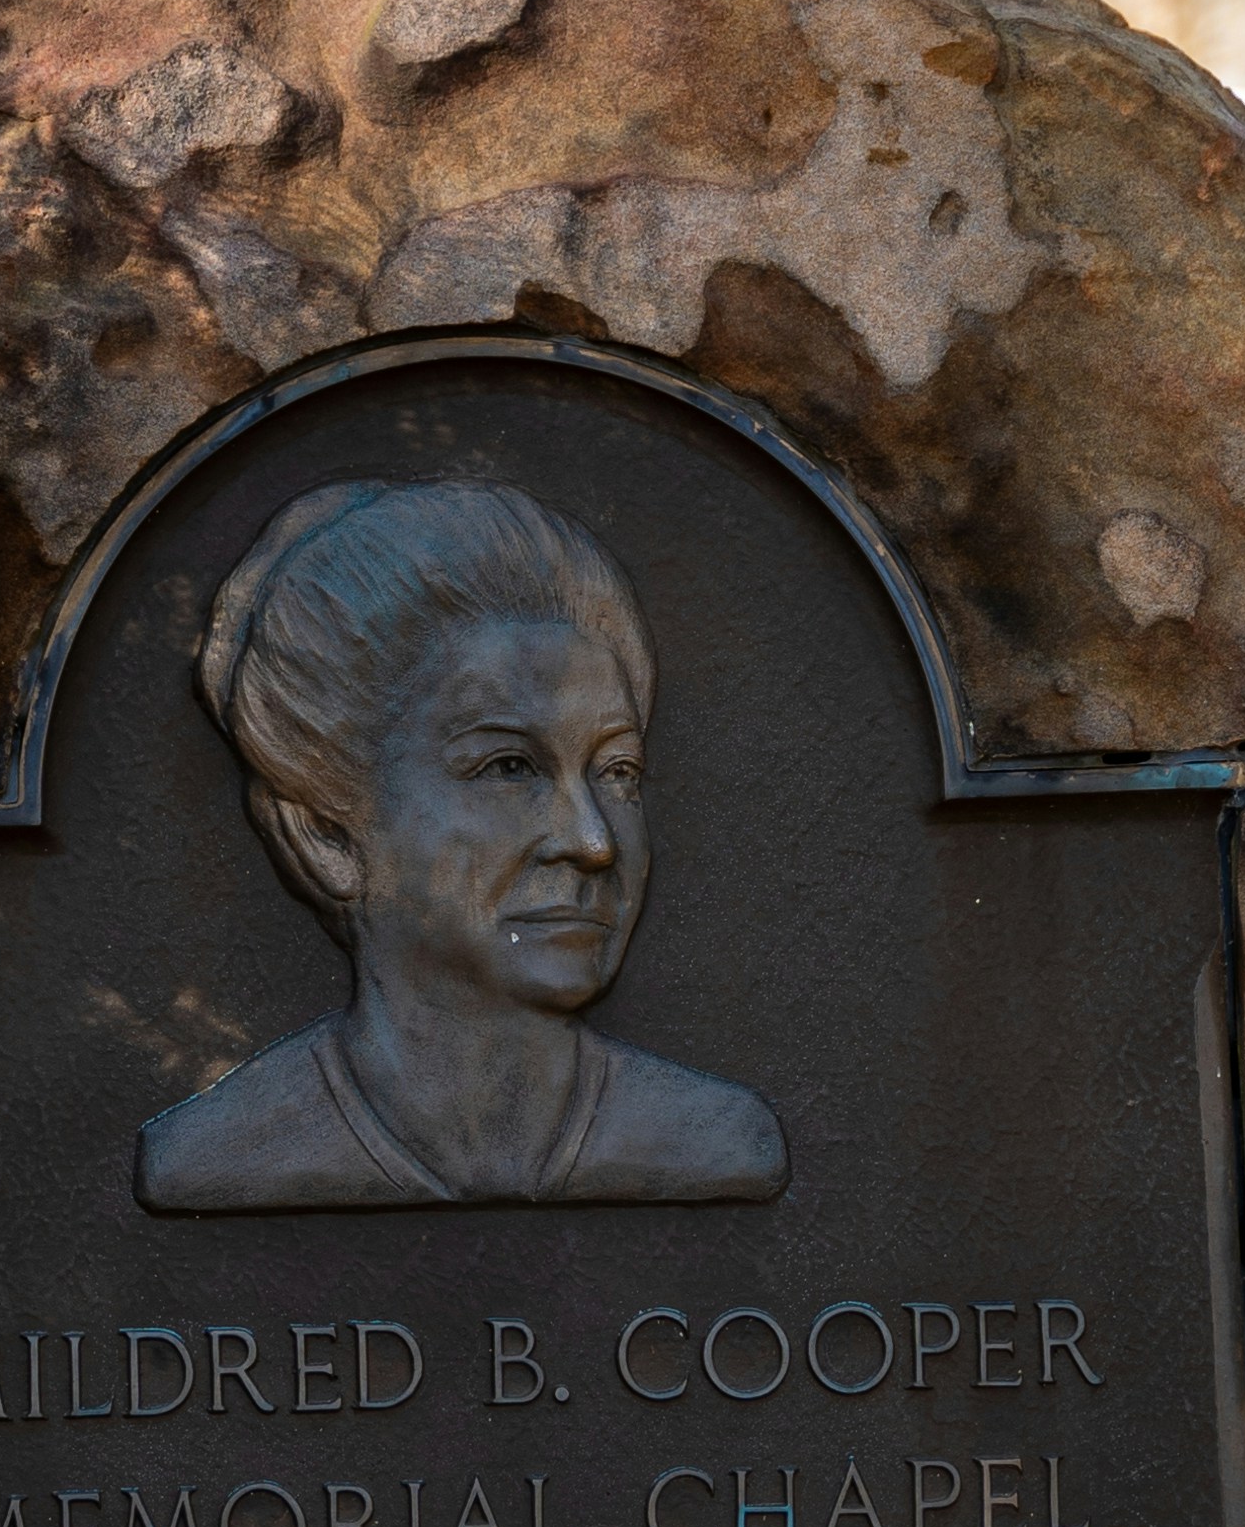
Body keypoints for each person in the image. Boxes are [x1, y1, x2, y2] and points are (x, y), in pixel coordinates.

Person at [135, 477, 787, 1212]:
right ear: (326, 837)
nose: (593, 841)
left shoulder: (717, 1142)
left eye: (617, 772)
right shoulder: (218, 1158)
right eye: (508, 768)